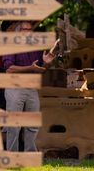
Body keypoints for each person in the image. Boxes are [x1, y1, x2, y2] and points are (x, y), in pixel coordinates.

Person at [3, 21, 56, 152]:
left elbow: (40, 70)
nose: (28, 32)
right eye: (24, 29)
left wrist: (47, 63)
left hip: (31, 88)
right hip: (15, 88)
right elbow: (9, 69)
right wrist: (30, 67)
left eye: (30, 29)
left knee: (32, 124)